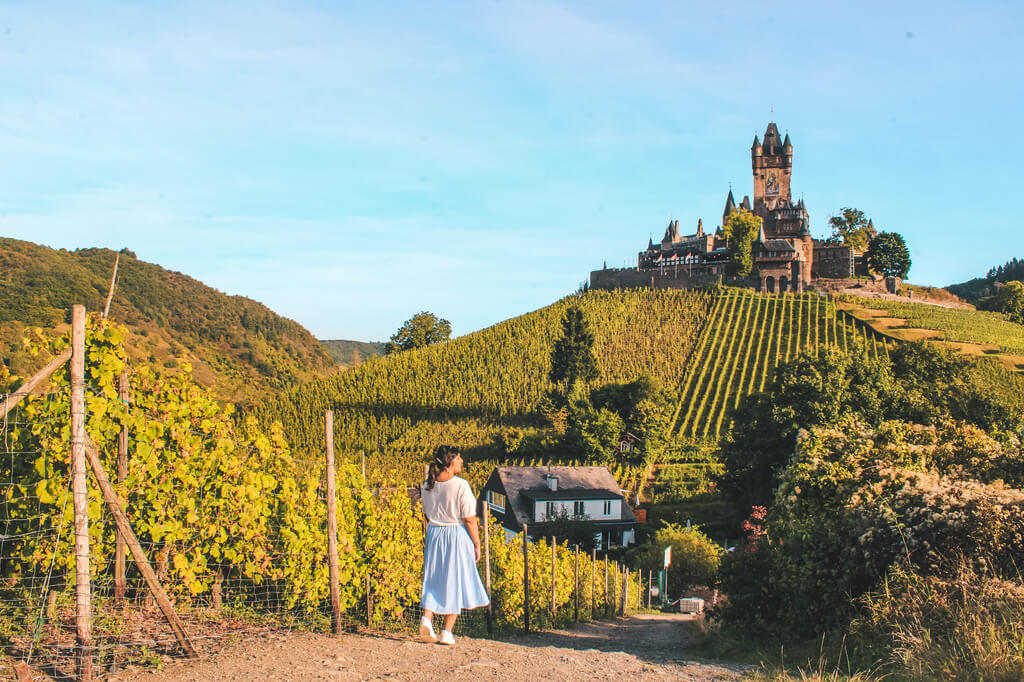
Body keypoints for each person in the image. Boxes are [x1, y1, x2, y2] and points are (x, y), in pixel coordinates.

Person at [418, 445, 489, 645]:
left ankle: (427, 618)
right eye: (459, 458)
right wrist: (477, 543)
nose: (462, 461)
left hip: (434, 533)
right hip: (455, 534)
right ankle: (447, 631)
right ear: (450, 462)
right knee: (454, 581)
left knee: (433, 577)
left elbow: (426, 512)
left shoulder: (427, 485)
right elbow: (470, 519)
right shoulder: (460, 485)